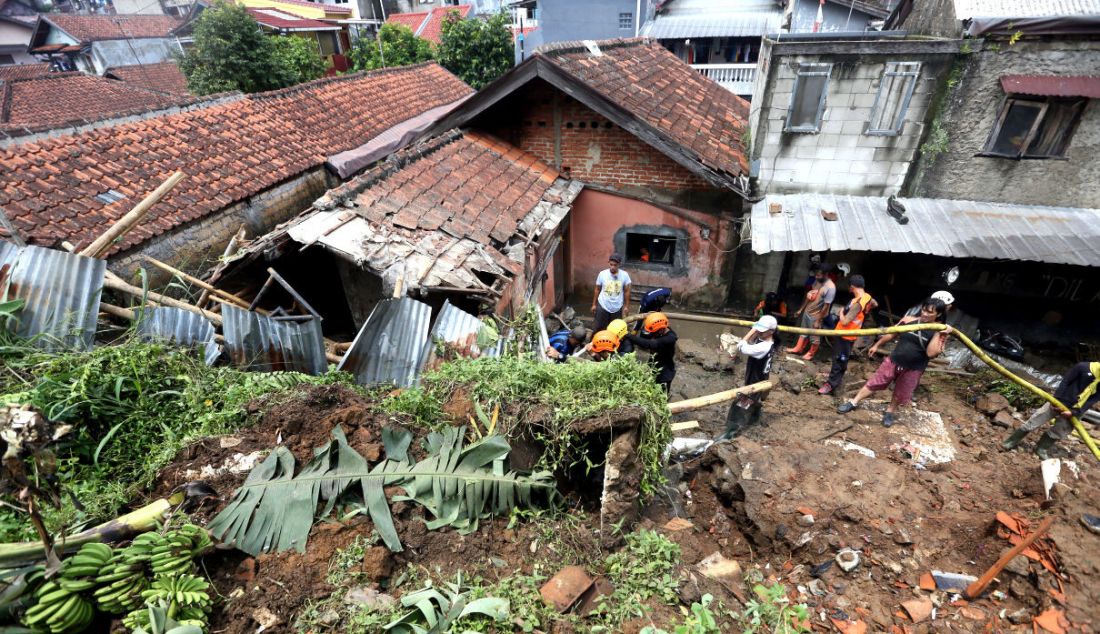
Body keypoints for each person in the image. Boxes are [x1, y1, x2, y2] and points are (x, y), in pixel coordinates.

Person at [836, 297, 952, 427]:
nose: (925, 314)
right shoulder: (908, 320)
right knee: (875, 382)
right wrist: (877, 345)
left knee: (901, 391)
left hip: (913, 369)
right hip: (894, 361)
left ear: (939, 314)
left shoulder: (940, 331)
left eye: (930, 312)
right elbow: (892, 334)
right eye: (924, 310)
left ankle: (889, 411)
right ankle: (853, 402)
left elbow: (931, 353)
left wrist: (939, 332)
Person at [1003, 362, 1100, 458]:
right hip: (1059, 401)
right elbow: (1065, 381)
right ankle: (1011, 441)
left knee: (1060, 430)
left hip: (1075, 410)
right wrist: (1056, 401)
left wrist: (1074, 412)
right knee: (1036, 419)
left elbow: (1092, 400)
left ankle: (1041, 449)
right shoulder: (1083, 367)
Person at [719, 315, 779, 440]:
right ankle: (755, 417)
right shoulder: (768, 341)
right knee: (754, 399)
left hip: (755, 381)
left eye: (762, 330)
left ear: (771, 331)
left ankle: (730, 432)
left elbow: (741, 347)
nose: (759, 332)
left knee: (739, 405)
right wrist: (758, 330)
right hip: (760, 376)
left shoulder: (763, 347)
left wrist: (752, 330)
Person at [819, 275, 876, 395]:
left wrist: (840, 313)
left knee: (838, 359)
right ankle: (836, 378)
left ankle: (831, 384)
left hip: (845, 335)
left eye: (849, 286)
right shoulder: (867, 297)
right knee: (843, 358)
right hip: (848, 335)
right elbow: (875, 303)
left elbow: (845, 321)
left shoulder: (858, 303)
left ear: (852, 287)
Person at [787, 264, 836, 360]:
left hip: (816, 315)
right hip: (808, 311)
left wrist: (818, 320)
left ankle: (811, 354)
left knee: (814, 336)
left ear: (826, 274)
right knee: (803, 331)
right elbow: (809, 295)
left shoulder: (830, 288)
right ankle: (798, 348)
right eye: (816, 274)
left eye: (819, 275)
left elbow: (826, 306)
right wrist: (801, 309)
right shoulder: (818, 282)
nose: (816, 277)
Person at [626, 312, 678, 395]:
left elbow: (649, 344)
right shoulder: (661, 328)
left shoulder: (670, 338)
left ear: (661, 329)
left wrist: (628, 336)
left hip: (664, 372)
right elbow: (645, 336)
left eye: (654, 332)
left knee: (661, 395)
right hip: (655, 365)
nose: (652, 334)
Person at [591, 253, 632, 332]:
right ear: (608, 263)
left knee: (615, 329)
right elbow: (597, 289)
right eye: (611, 264)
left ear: (619, 264)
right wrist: (594, 304)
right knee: (598, 327)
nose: (612, 267)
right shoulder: (602, 274)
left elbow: (627, 291)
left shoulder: (624, 275)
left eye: (615, 265)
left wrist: (626, 306)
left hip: (617, 306)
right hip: (603, 305)